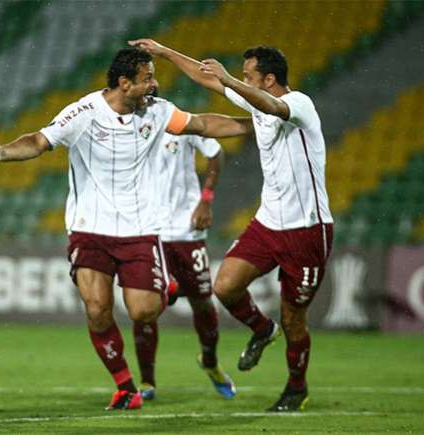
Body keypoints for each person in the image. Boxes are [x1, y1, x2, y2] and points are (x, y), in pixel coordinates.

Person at [0, 48, 251, 411]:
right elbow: (39, 142)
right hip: (90, 228)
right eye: (148, 78)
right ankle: (125, 387)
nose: (155, 83)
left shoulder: (157, 112)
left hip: (139, 230)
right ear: (124, 83)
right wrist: (2, 152)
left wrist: (254, 123)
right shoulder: (84, 113)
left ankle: (162, 287)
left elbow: (205, 125)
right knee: (98, 308)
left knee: (143, 312)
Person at [129, 39, 333, 412]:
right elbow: (208, 79)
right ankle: (262, 329)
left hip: (307, 229)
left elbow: (271, 105)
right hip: (269, 222)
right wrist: (165, 53)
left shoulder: (300, 104)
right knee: (225, 286)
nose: (241, 80)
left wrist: (229, 82)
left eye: (248, 76)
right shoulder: (254, 101)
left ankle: (295, 388)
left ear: (269, 79)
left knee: (294, 317)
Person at [133, 85, 236, 401]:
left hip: (187, 231)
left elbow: (216, 154)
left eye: (148, 97)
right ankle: (148, 381)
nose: (143, 103)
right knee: (144, 309)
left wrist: (206, 200)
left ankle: (210, 361)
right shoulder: (126, 129)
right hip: (148, 230)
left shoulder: (180, 121)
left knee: (203, 302)